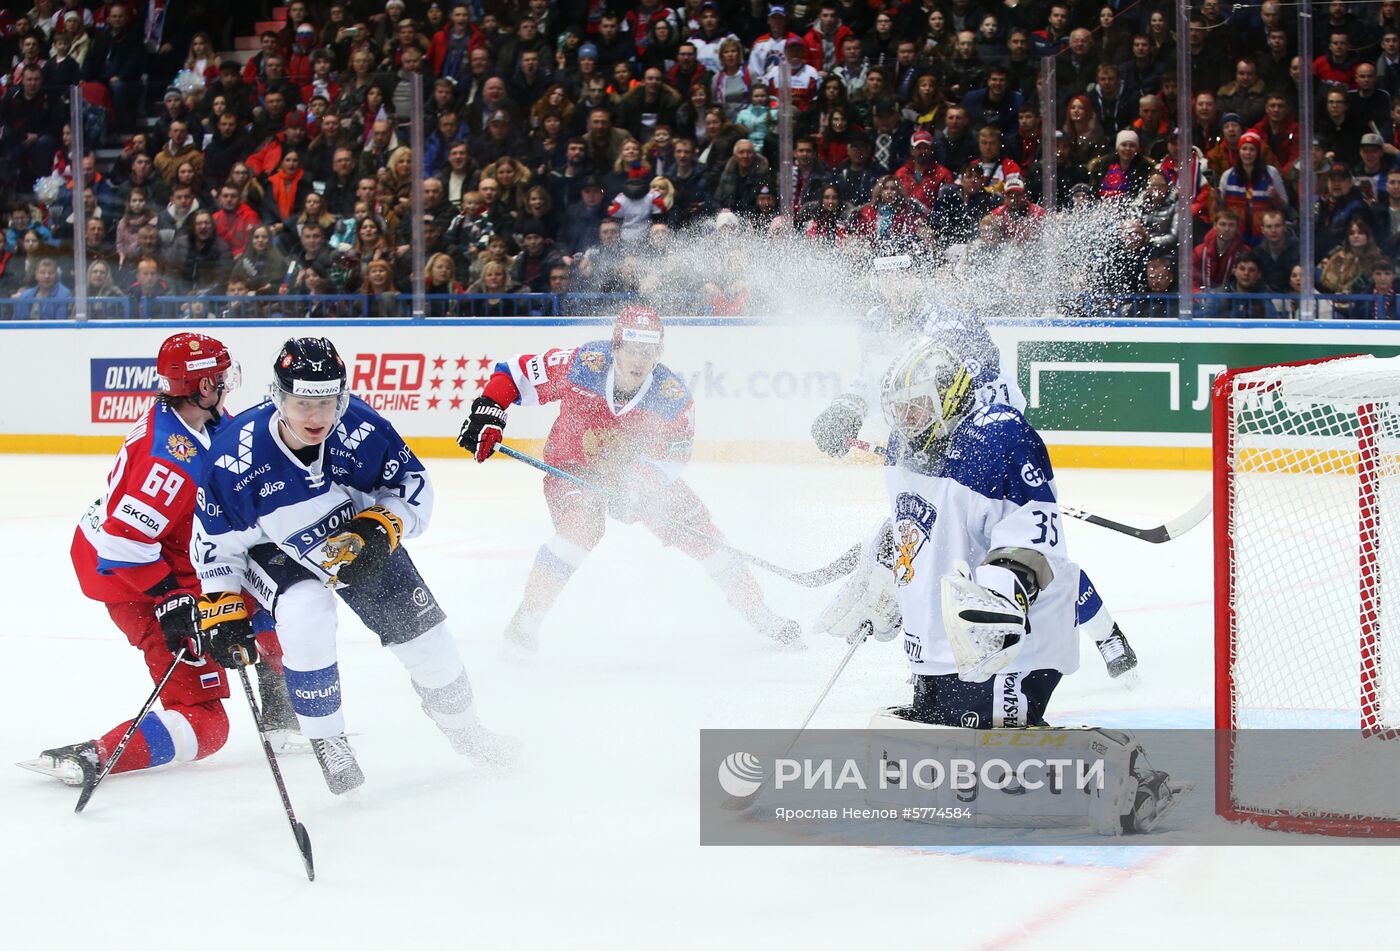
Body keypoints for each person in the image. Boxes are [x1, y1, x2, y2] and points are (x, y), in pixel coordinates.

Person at [813, 336, 1180, 832]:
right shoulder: (904, 445)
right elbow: (911, 525)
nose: (907, 419)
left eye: (918, 405)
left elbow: (1035, 545)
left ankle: (1125, 773)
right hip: (938, 644)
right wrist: (883, 576)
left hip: (1005, 641)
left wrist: (994, 607)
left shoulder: (1000, 437)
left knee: (986, 766)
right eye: (898, 409)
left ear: (951, 394)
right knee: (940, 763)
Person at [193, 337, 518, 795]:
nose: (315, 417)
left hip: (353, 540)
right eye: (302, 402)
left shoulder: (361, 429)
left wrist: (383, 524)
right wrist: (223, 601)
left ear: (341, 397)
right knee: (307, 612)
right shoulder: (234, 456)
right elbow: (214, 543)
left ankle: (467, 731)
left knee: (428, 641)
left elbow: (414, 485)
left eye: (326, 402)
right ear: (277, 397)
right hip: (275, 549)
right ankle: (328, 739)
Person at [810, 253, 1139, 678]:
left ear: (917, 278)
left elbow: (985, 388)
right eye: (884, 278)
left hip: (990, 441)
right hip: (932, 447)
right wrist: (847, 409)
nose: (894, 287)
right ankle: (941, 648)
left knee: (1030, 553)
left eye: (902, 277)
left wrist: (976, 456)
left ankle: (1106, 632)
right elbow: (871, 380)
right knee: (937, 548)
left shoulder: (952, 324)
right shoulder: (874, 324)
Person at [18, 334, 295, 792]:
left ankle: (283, 716)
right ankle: (95, 755)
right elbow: (122, 543)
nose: (228, 385)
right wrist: (169, 599)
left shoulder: (200, 419)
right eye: (222, 377)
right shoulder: (165, 460)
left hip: (171, 559)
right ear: (203, 387)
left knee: (269, 593)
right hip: (134, 580)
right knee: (208, 725)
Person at [457, 307, 802, 653]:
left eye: (649, 351)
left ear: (659, 353)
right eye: (633, 349)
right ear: (616, 347)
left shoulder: (672, 398)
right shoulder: (583, 365)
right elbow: (514, 373)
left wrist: (637, 488)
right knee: (582, 527)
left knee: (701, 532)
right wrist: (490, 410)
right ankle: (525, 622)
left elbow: (672, 457)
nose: (640, 359)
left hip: (637, 475)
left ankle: (760, 613)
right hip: (574, 467)